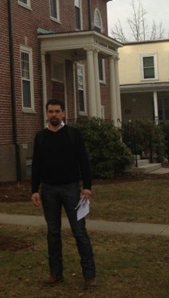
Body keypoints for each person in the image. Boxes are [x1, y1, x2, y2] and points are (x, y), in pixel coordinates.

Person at [30, 98, 97, 289]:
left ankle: (89, 275)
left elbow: (84, 161)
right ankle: (56, 273)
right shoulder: (40, 137)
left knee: (79, 232)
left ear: (64, 113)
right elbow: (36, 165)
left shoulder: (73, 134)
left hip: (71, 190)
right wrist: (35, 189)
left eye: (57, 111)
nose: (54, 115)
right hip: (49, 190)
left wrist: (87, 186)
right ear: (46, 113)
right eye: (50, 112)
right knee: (53, 233)